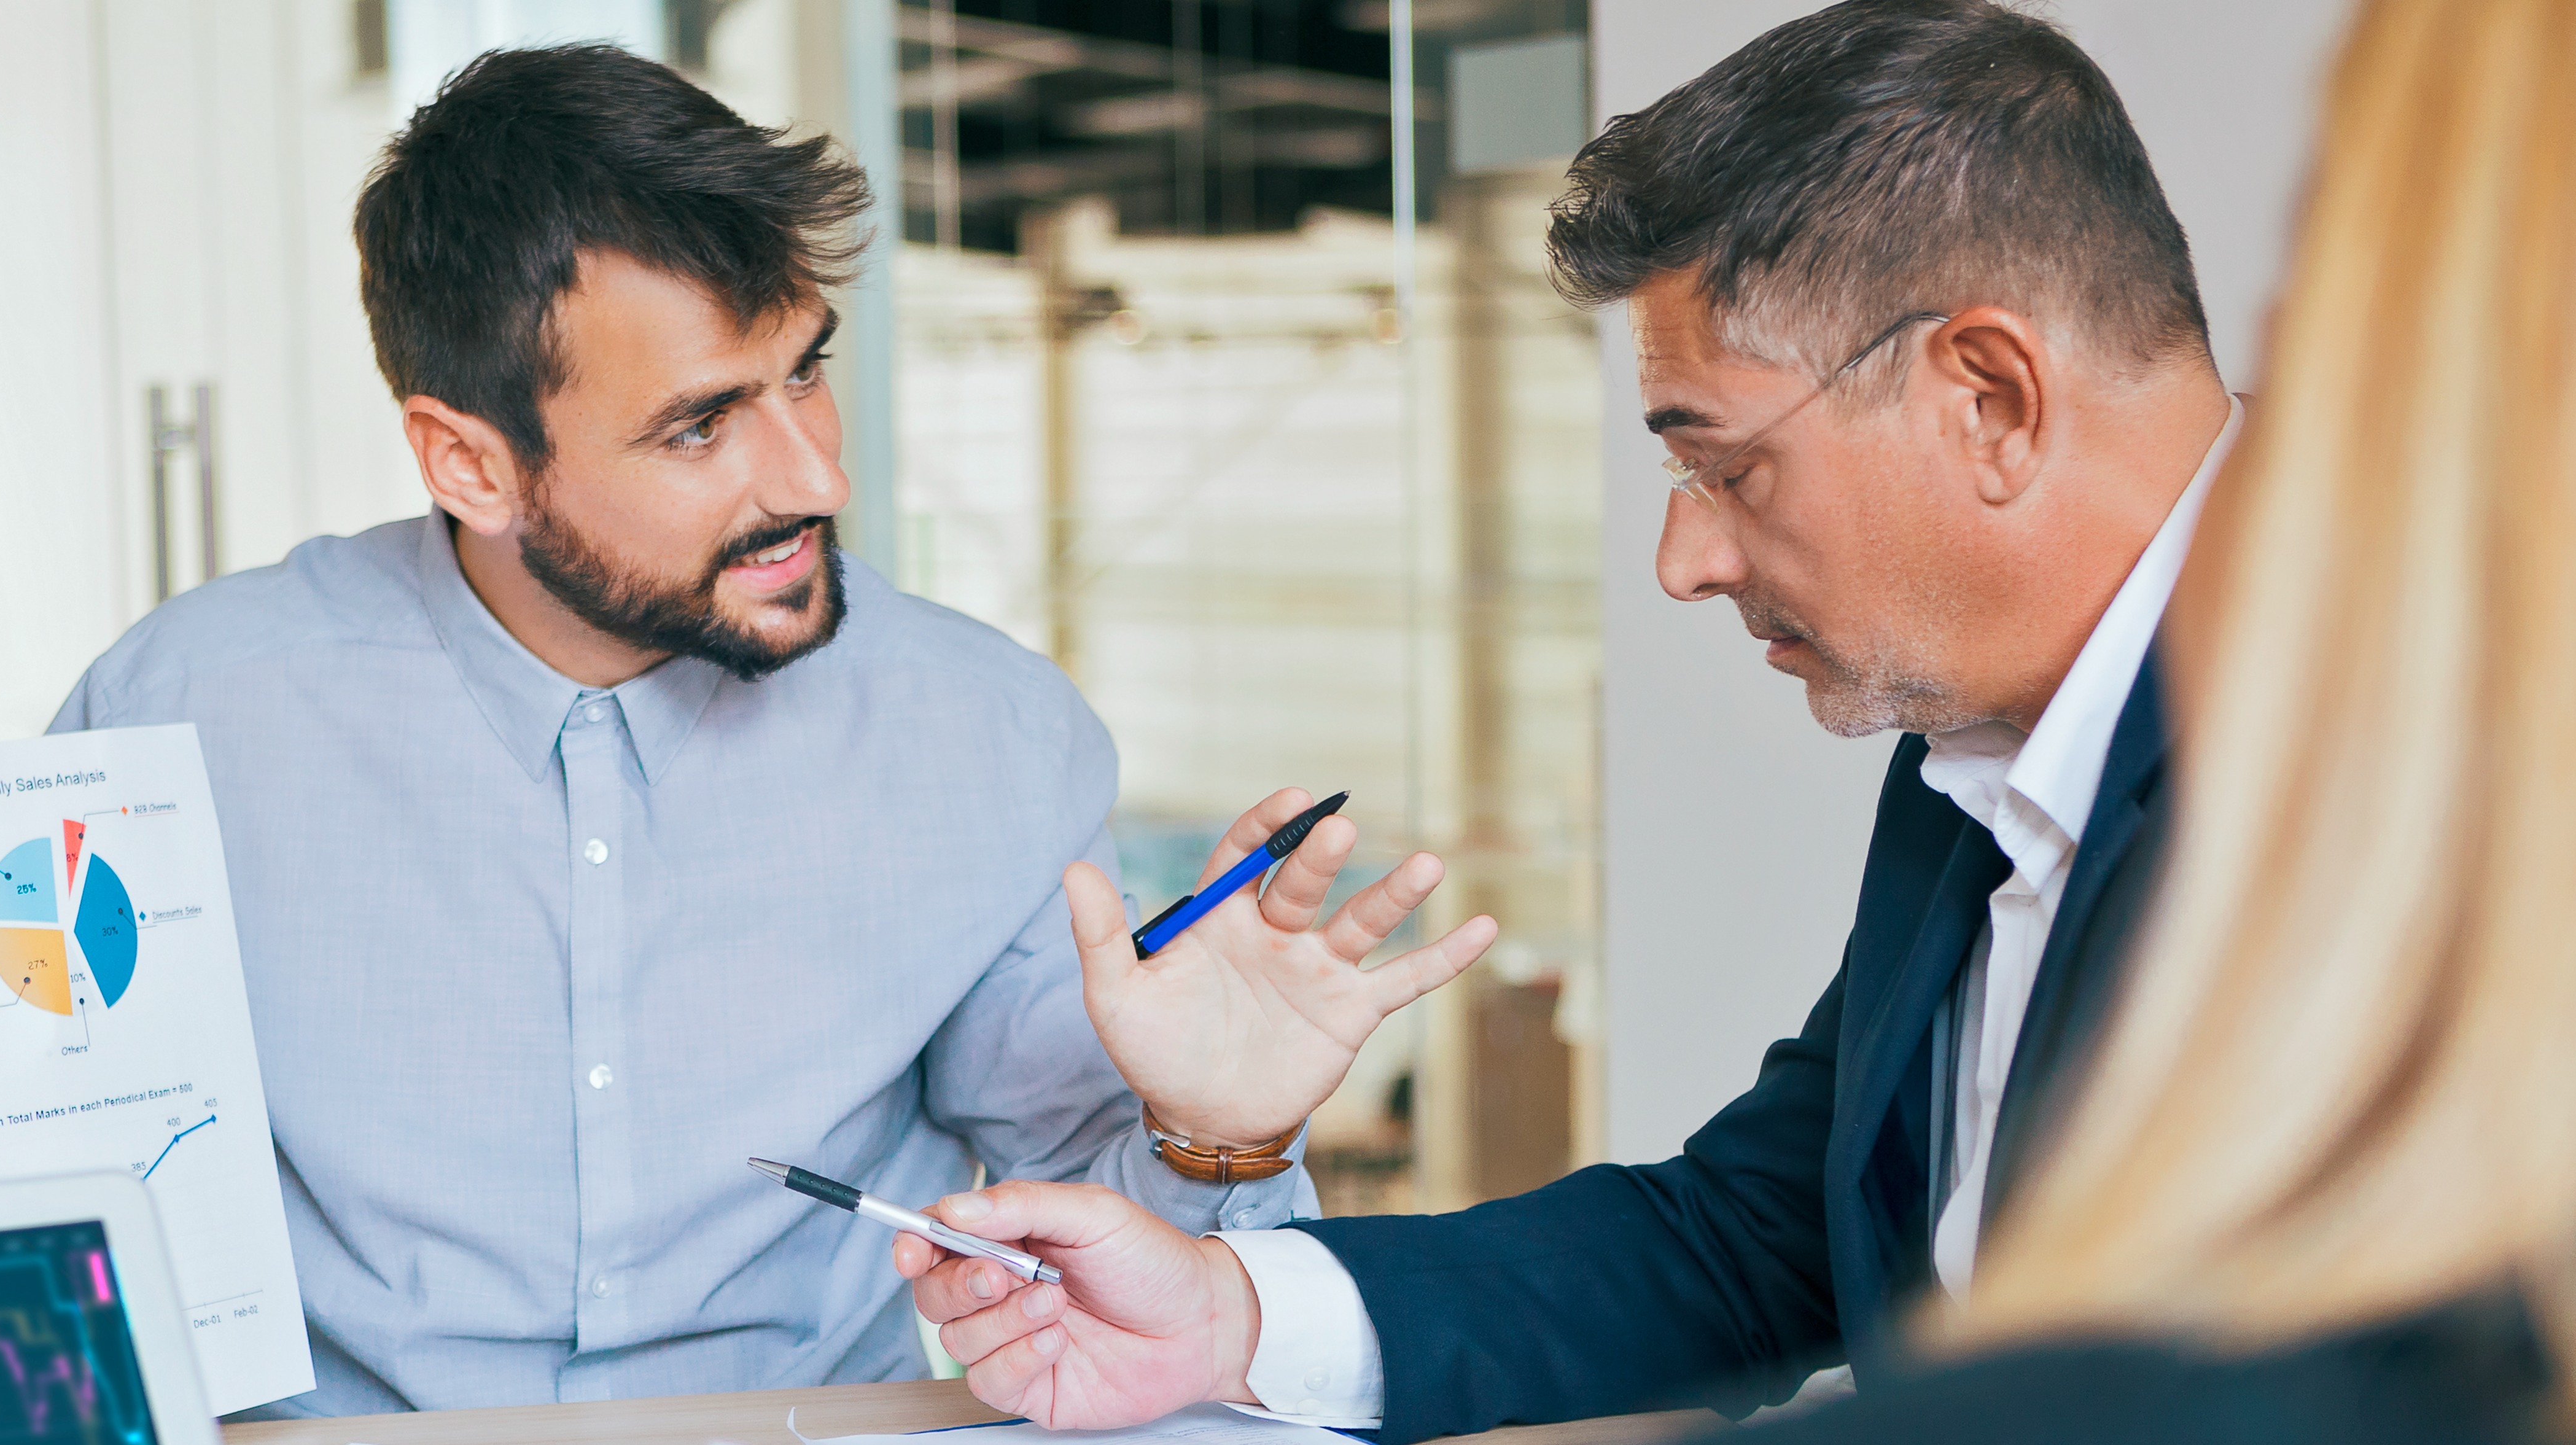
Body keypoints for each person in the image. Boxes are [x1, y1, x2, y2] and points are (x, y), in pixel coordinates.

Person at [0, 46, 1496, 1419]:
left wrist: (1218, 1139)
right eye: (704, 425)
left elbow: (1104, 1269)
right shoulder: (195, 706)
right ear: (469, 459)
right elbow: (30, 1190)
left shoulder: (992, 732)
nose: (815, 473)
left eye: (806, 367)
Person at [901, 0, 2255, 1434]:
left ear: (1988, 398)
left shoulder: (2411, 760)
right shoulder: (1984, 753)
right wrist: (1227, 1311)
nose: (1685, 564)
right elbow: (1749, 1238)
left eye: (1727, 468)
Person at [1734, 0, 2576, 1438]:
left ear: (1990, 400)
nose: (2254, 388)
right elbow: (1781, 1215)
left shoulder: (2397, 811)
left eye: (2335, 276)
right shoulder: (1962, 769)